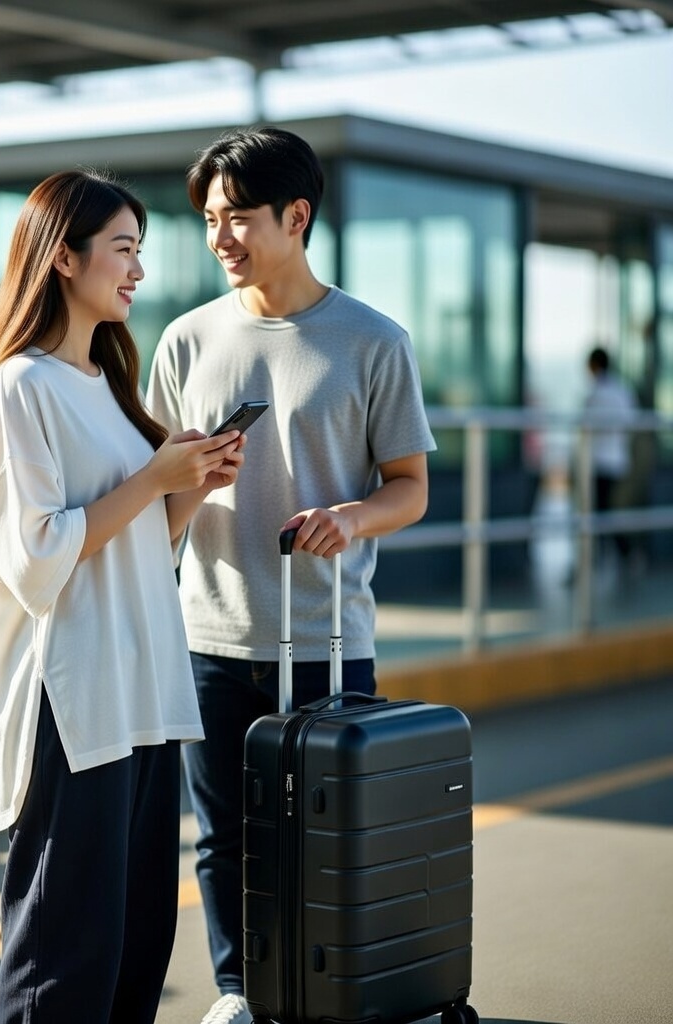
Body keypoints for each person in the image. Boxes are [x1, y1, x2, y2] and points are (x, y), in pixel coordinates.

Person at [146, 126, 436, 1024]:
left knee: (325, 832)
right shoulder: (187, 341)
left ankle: (329, 992)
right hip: (207, 636)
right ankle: (237, 992)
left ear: (296, 216)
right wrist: (191, 482)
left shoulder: (373, 341)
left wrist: (353, 517)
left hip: (327, 639)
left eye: (236, 217)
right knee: (224, 835)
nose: (218, 237)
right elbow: (151, 498)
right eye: (207, 219)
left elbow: (411, 489)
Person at [0, 169, 245, 1024]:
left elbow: (139, 544)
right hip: (73, 703)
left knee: (133, 944)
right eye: (123, 250)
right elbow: (38, 559)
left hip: (142, 694)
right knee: (63, 957)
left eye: (139, 253)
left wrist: (191, 485)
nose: (137, 271)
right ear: (63, 259)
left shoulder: (109, 387)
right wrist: (154, 474)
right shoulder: (21, 387)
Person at [584, 345, 638, 568]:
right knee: (603, 510)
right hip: (618, 459)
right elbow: (632, 422)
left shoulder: (597, 393)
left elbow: (586, 424)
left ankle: (614, 553)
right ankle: (612, 554)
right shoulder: (621, 389)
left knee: (600, 511)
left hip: (601, 461)